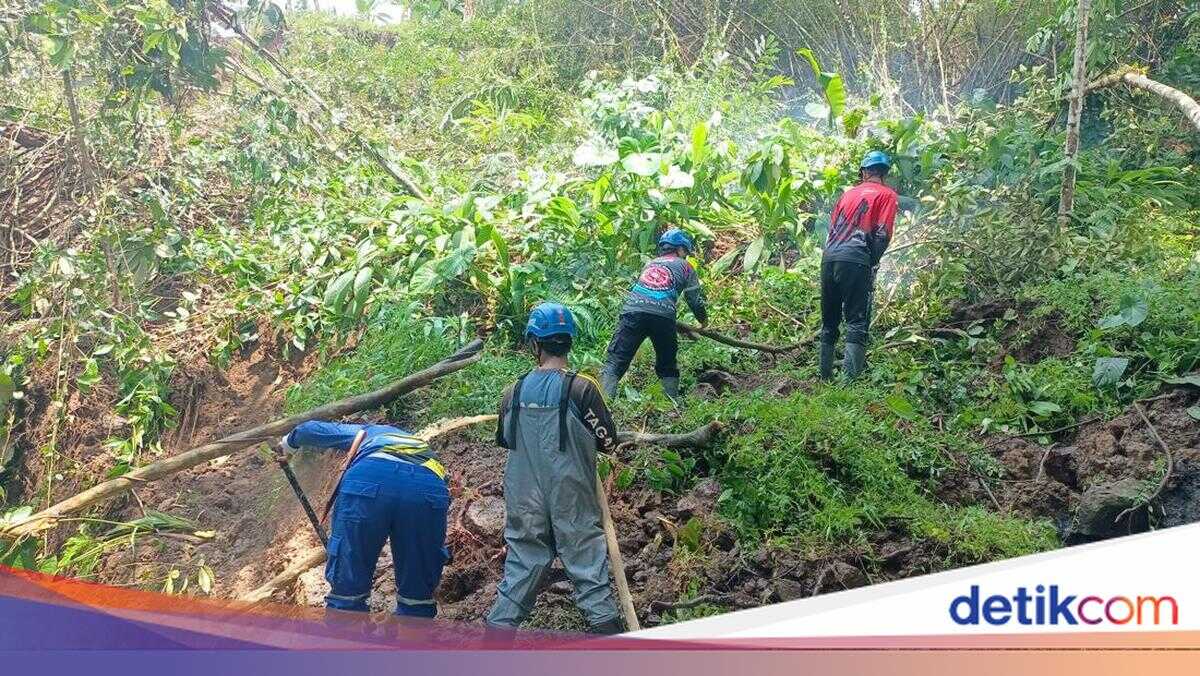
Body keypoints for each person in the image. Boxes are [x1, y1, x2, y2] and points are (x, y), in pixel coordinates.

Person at [486, 302, 624, 635]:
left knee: (522, 568)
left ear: (535, 343)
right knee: (588, 567)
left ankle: (493, 644)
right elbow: (608, 441)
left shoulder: (512, 392)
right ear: (570, 342)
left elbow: (506, 439)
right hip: (571, 494)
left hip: (525, 498)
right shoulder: (583, 389)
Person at [278, 419, 450, 617]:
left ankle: (345, 631)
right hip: (427, 488)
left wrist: (287, 444)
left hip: (369, 480)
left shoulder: (369, 431)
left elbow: (310, 430)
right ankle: (412, 631)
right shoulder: (423, 448)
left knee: (348, 581)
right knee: (418, 587)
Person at [599, 227, 708, 401]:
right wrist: (704, 321)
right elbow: (694, 300)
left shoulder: (650, 264)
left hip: (632, 312)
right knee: (667, 364)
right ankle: (670, 407)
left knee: (615, 362)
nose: (685, 255)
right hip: (663, 317)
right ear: (680, 249)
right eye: (685, 251)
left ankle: (603, 405)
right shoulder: (687, 267)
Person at [819, 150, 899, 381]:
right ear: (884, 173)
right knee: (856, 320)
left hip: (829, 258)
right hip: (855, 259)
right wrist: (873, 260)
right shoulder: (887, 195)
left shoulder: (846, 195)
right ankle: (849, 382)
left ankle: (824, 378)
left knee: (830, 321)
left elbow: (831, 228)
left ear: (864, 172)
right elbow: (882, 234)